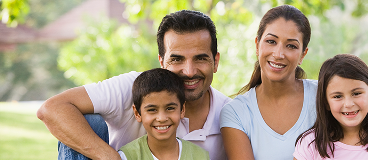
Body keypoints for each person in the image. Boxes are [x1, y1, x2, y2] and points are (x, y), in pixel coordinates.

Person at [37, 10, 231, 160]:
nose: (189, 71)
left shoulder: (231, 115)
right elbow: (52, 109)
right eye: (177, 59)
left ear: (216, 61)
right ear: (162, 62)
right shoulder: (134, 86)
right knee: (87, 122)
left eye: (200, 58)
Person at [220, 5, 317, 160]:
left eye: (291, 46)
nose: (278, 54)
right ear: (257, 45)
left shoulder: (323, 96)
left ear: (302, 54)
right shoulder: (236, 112)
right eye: (271, 41)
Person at [293, 54, 368, 160]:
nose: (348, 104)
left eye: (356, 93)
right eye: (338, 96)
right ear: (326, 102)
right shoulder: (310, 144)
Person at [118, 68, 209, 160]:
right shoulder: (127, 156)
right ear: (137, 113)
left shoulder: (200, 156)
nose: (161, 118)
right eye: (152, 110)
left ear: (182, 109)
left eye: (170, 108)